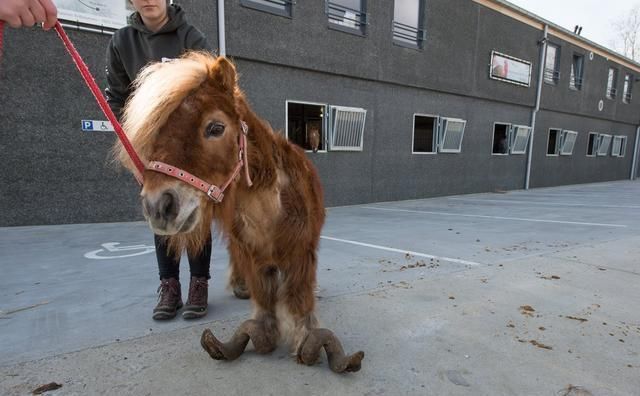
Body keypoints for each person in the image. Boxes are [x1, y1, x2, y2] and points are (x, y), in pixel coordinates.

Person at [105, 0, 213, 321]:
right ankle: (169, 286)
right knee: (160, 209)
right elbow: (116, 96)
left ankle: (199, 283)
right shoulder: (122, 42)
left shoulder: (190, 37)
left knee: (194, 212)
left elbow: (211, 92)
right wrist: (131, 147)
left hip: (188, 146)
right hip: (149, 146)